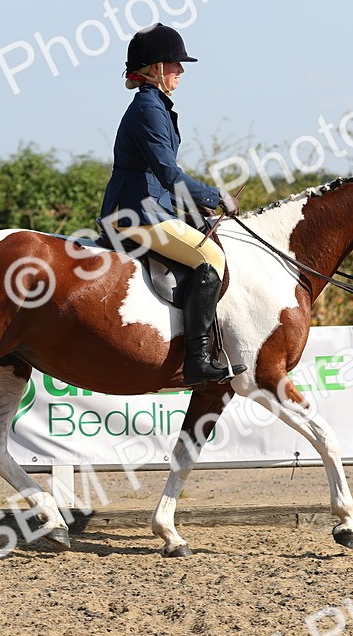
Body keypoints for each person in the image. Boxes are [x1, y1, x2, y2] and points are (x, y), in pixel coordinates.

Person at [99, 23, 246, 385]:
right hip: (134, 214)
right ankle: (197, 360)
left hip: (147, 208)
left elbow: (161, 180)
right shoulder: (149, 109)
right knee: (211, 258)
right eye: (174, 64)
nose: (180, 70)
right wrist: (216, 196)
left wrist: (196, 210)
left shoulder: (156, 107)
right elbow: (168, 174)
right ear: (153, 69)